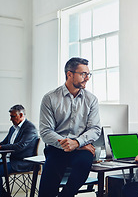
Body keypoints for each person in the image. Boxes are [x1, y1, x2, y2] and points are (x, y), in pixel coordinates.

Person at [38, 57, 101, 197]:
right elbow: (46, 131)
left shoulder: (91, 100)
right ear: (69, 74)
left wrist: (77, 143)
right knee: (46, 190)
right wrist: (74, 144)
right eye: (83, 74)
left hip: (81, 149)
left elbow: (95, 129)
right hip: (57, 148)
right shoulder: (50, 98)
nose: (87, 78)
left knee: (85, 161)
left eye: (88, 74)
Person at [0, 104, 38, 197]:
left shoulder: (30, 128)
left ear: (21, 115)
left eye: (13, 116)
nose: (11, 119)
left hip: (22, 163)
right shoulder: (13, 128)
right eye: (10, 116)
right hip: (8, 160)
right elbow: (4, 143)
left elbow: (20, 146)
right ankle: (4, 195)